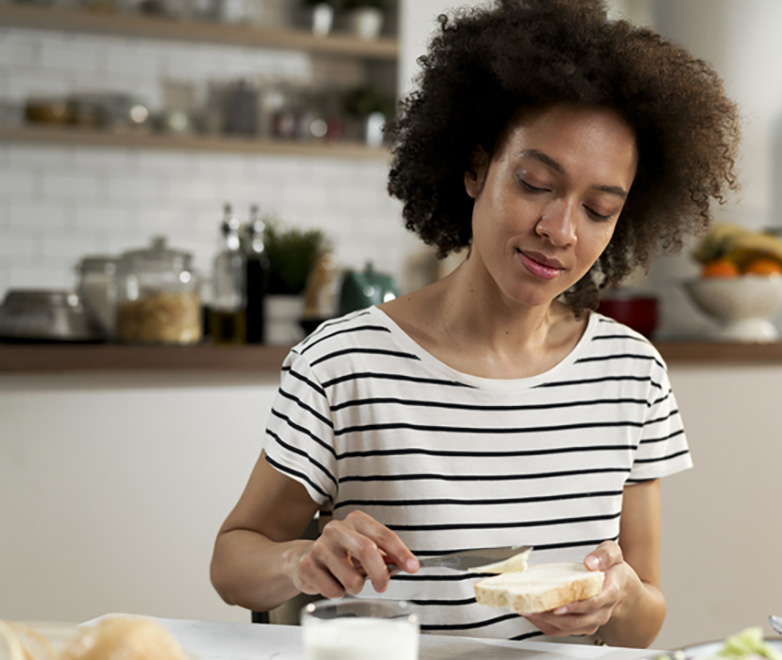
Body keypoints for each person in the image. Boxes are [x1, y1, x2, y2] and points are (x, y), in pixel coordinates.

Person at [210, 0, 739, 648]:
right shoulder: (344, 365)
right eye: (534, 182)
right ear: (473, 167)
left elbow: (644, 620)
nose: (560, 231)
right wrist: (302, 560)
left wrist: (617, 598)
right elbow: (234, 562)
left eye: (599, 209)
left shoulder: (631, 375)